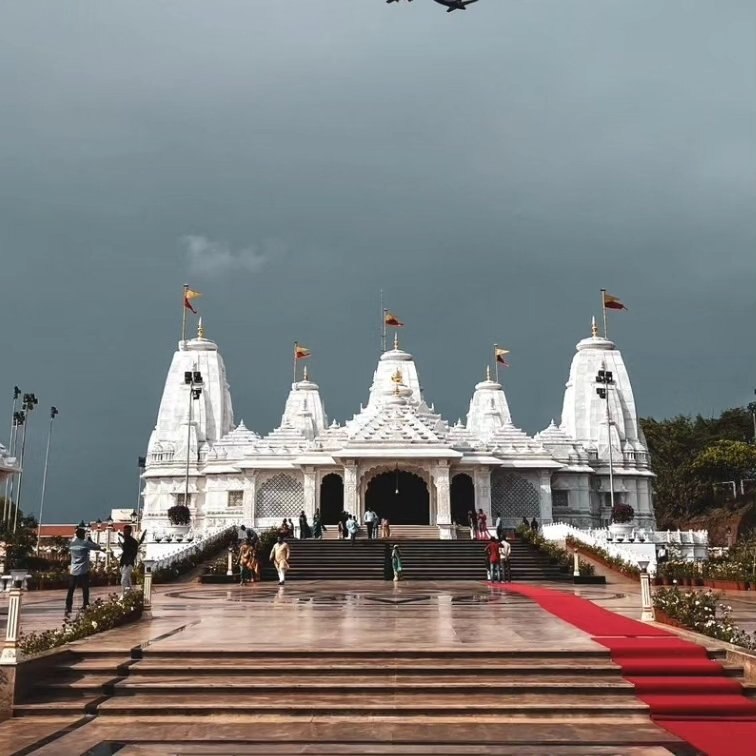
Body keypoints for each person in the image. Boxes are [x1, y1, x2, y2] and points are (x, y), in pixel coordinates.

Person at [65, 527, 102, 615]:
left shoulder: (72, 544)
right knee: (85, 589)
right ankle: (85, 604)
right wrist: (90, 540)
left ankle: (68, 606)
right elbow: (98, 547)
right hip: (83, 570)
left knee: (71, 589)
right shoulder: (85, 543)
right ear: (82, 535)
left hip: (73, 570)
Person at [118, 524, 146, 594]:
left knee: (123, 580)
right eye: (124, 531)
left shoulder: (133, 542)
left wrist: (128, 562)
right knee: (127, 581)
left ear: (129, 532)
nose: (124, 532)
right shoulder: (126, 541)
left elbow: (132, 553)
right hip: (123, 563)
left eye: (126, 531)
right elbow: (125, 551)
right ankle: (130, 594)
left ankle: (125, 594)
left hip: (129, 563)